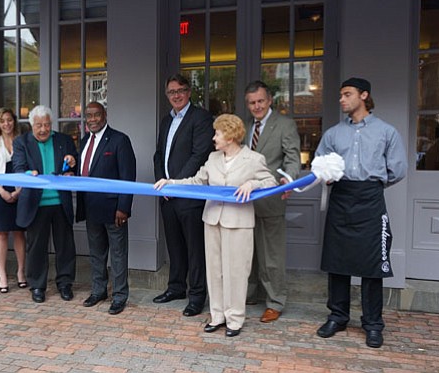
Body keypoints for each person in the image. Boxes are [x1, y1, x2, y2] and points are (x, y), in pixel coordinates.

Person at [155, 114, 277, 337]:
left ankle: (235, 319)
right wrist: (170, 183)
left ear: (230, 136)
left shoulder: (253, 159)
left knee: (236, 272)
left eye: (217, 133)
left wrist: (253, 183)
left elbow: (271, 182)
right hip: (212, 220)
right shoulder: (212, 158)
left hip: (238, 223)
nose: (213, 138)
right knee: (215, 271)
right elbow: (196, 181)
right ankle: (218, 315)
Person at [315, 77, 407, 349]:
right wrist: (326, 177)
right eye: (341, 94)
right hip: (341, 197)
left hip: (370, 199)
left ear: (364, 95)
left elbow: (398, 170)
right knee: (337, 260)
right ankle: (338, 316)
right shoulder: (333, 134)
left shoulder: (386, 132)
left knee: (372, 265)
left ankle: (373, 324)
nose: (341, 99)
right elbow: (320, 164)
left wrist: (372, 185)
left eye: (347, 94)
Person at [153, 73, 214, 317]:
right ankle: (176, 288)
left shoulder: (200, 117)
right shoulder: (166, 121)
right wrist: (162, 183)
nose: (176, 95)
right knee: (175, 246)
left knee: (194, 248)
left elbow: (199, 155)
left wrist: (176, 183)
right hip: (167, 195)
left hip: (189, 194)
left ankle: (197, 296)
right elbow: (158, 154)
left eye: (180, 91)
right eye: (171, 92)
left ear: (189, 92)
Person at [244, 81, 301, 323]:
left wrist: (288, 180)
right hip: (245, 201)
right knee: (248, 252)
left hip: (270, 199)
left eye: (260, 101)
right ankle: (249, 294)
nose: (256, 106)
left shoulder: (284, 124)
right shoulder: (246, 127)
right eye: (252, 102)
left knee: (272, 256)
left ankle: (275, 301)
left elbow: (292, 157)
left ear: (269, 101)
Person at [12, 105, 78, 303]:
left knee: (65, 246)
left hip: (60, 202)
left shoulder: (63, 140)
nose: (43, 130)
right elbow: (18, 167)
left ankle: (65, 284)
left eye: (47, 125)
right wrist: (27, 174)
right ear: (32, 125)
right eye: (39, 125)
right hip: (36, 203)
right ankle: (38, 286)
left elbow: (75, 165)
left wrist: (72, 163)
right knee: (37, 248)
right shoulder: (21, 142)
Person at [76, 102, 137, 315]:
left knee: (118, 255)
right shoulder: (84, 142)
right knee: (96, 254)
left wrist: (124, 208)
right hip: (91, 208)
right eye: (89, 116)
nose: (92, 119)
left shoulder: (120, 140)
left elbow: (128, 177)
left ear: (105, 115)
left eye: (96, 115)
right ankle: (98, 290)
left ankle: (119, 296)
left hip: (114, 210)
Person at [0, 108, 27, 294]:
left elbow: (27, 166)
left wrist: (19, 190)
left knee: (19, 232)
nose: (7, 124)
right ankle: (2, 274)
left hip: (19, 190)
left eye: (9, 120)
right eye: (3, 121)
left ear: (14, 122)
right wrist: (2, 191)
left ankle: (20, 272)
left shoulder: (22, 140)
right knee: (1, 233)